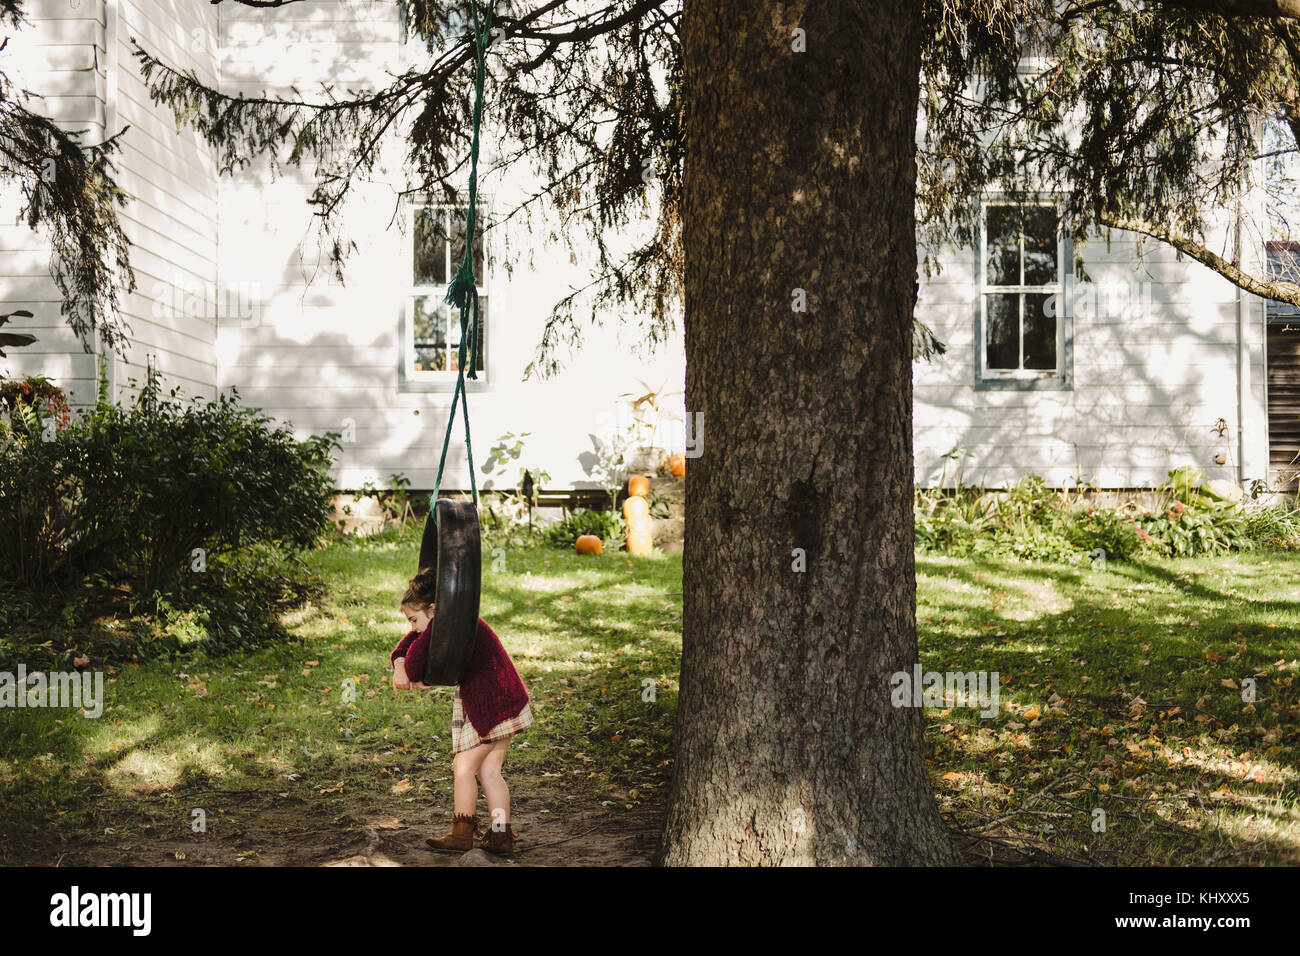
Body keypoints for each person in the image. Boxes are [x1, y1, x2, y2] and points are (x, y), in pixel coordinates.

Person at [391, 567, 532, 854]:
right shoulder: (454, 622)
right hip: (503, 699)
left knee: (464, 766)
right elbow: (410, 649)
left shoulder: (452, 625)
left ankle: (461, 834)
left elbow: (417, 665)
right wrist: (398, 663)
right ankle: (500, 835)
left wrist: (407, 664)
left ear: (433, 610)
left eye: (414, 620)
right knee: (489, 770)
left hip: (495, 703)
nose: (414, 629)